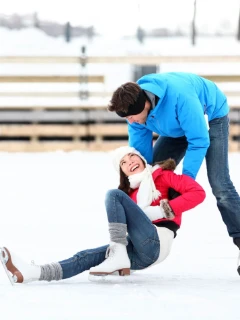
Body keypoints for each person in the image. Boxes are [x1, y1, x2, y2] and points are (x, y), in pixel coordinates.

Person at [0, 146, 205, 284]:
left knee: (113, 195)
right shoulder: (129, 195)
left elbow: (198, 193)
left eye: (132, 155)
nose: (129, 161)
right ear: (123, 173)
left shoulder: (163, 175)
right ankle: (33, 273)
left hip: (158, 240)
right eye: (123, 162)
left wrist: (163, 210)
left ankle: (117, 254)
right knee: (85, 257)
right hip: (141, 254)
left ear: (141, 158)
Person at [108, 72, 240, 273]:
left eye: (131, 117)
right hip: (176, 127)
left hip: (211, 116)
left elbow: (199, 140)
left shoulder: (181, 97)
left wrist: (186, 180)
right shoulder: (133, 108)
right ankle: (141, 240)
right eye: (127, 118)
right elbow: (143, 157)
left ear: (144, 105)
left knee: (220, 185)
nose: (131, 121)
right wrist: (141, 179)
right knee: (151, 177)